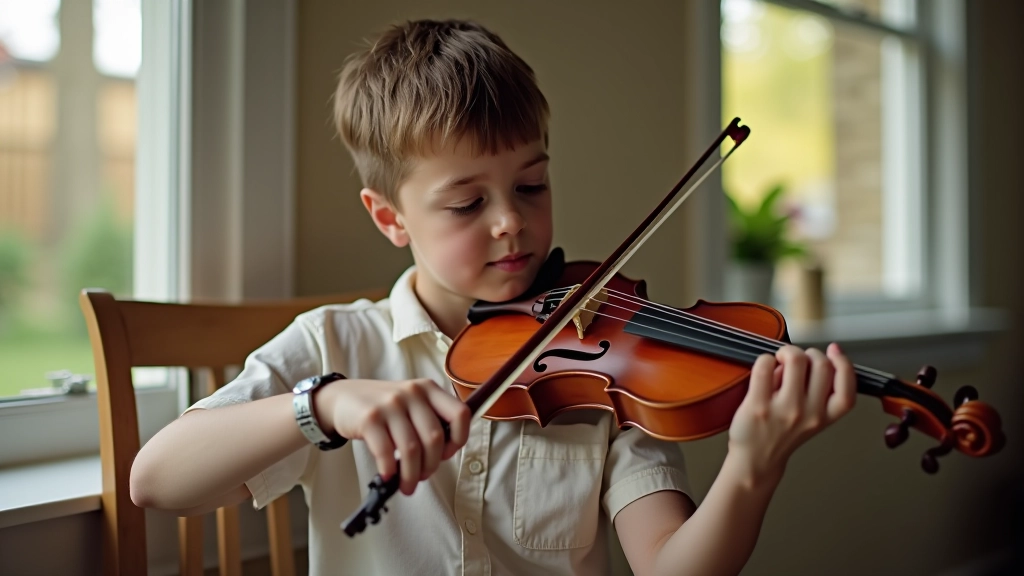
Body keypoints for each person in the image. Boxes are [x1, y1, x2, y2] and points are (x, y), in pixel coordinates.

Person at [129, 19, 856, 576]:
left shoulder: (606, 368)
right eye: (466, 203)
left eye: (531, 186)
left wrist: (751, 469)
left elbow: (669, 563)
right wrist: (326, 404)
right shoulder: (334, 346)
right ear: (390, 218)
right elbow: (157, 480)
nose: (511, 220)